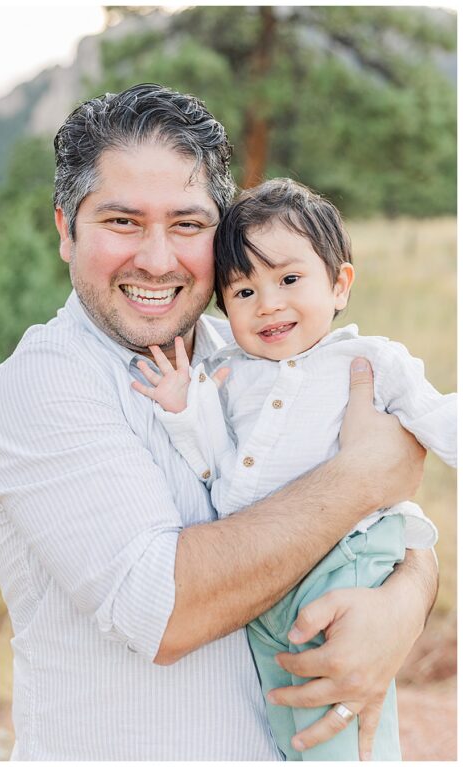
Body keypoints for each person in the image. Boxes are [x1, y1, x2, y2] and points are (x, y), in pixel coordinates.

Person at [0, 84, 437, 760]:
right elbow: (165, 610)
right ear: (66, 228)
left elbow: (394, 523)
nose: (157, 260)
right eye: (122, 222)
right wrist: (361, 478)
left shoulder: (256, 352)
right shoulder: (43, 383)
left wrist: (407, 599)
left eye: (187, 225)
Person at [132, 177, 456, 760]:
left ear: (339, 284)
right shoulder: (223, 376)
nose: (269, 303)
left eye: (288, 280)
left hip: (341, 563)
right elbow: (211, 462)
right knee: (288, 728)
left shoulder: (370, 361)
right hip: (258, 584)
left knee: (338, 722)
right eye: (243, 291)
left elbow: (439, 421)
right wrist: (184, 407)